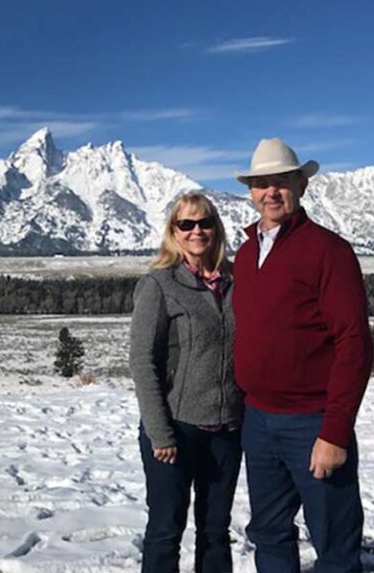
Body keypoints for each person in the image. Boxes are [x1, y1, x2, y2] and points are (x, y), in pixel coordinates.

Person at [231, 138, 374, 573]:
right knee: (269, 532)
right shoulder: (246, 253)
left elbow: (353, 343)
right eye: (261, 184)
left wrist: (334, 432)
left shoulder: (328, 251)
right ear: (251, 191)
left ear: (301, 186)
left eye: (281, 181)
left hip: (312, 422)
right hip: (258, 421)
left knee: (334, 541)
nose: (271, 192)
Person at [129, 192, 244, 573]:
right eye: (187, 224)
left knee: (215, 531)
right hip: (176, 428)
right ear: (173, 232)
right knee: (166, 530)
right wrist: (160, 432)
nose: (197, 231)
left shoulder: (237, 280)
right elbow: (142, 361)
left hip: (226, 429)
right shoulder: (159, 284)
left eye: (205, 222)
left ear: (216, 228)